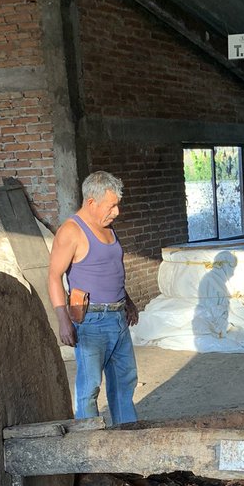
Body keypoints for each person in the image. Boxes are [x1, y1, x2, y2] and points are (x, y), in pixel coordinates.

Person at [47, 171, 139, 424]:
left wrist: (127, 302)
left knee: (125, 380)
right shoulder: (71, 232)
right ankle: (89, 446)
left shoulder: (109, 229)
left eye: (117, 205)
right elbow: (54, 277)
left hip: (118, 318)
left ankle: (128, 436)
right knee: (89, 387)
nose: (117, 212)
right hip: (91, 322)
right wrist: (63, 320)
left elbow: (112, 270)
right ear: (91, 203)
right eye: (112, 206)